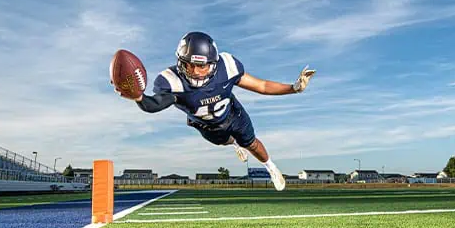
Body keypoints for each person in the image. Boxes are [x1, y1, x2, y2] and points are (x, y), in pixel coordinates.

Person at [113, 31, 315, 191]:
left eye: (201, 66)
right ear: (180, 61)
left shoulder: (227, 66)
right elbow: (154, 104)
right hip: (205, 124)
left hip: (232, 113)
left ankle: (271, 167)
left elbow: (261, 86)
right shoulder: (171, 80)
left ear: (213, 62)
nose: (195, 72)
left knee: (252, 143)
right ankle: (234, 143)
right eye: (190, 65)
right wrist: (138, 97)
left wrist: (293, 88)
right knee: (225, 141)